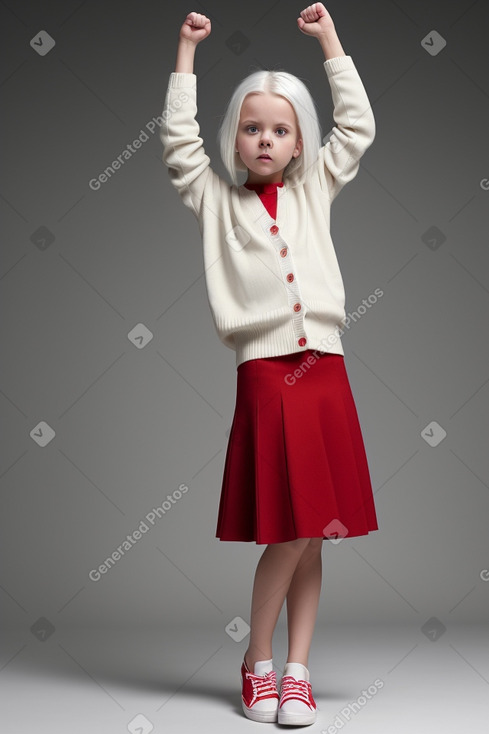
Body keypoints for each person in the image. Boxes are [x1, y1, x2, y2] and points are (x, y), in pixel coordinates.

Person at [160, 2, 379, 726]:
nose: (264, 137)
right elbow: (177, 146)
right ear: (236, 137)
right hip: (266, 374)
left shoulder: (316, 189)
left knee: (317, 528)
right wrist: (186, 55)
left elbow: (358, 128)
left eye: (279, 129)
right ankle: (256, 662)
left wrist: (328, 42)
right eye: (252, 126)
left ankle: (296, 672)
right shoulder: (215, 202)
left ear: (297, 145)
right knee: (289, 527)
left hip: (326, 371)